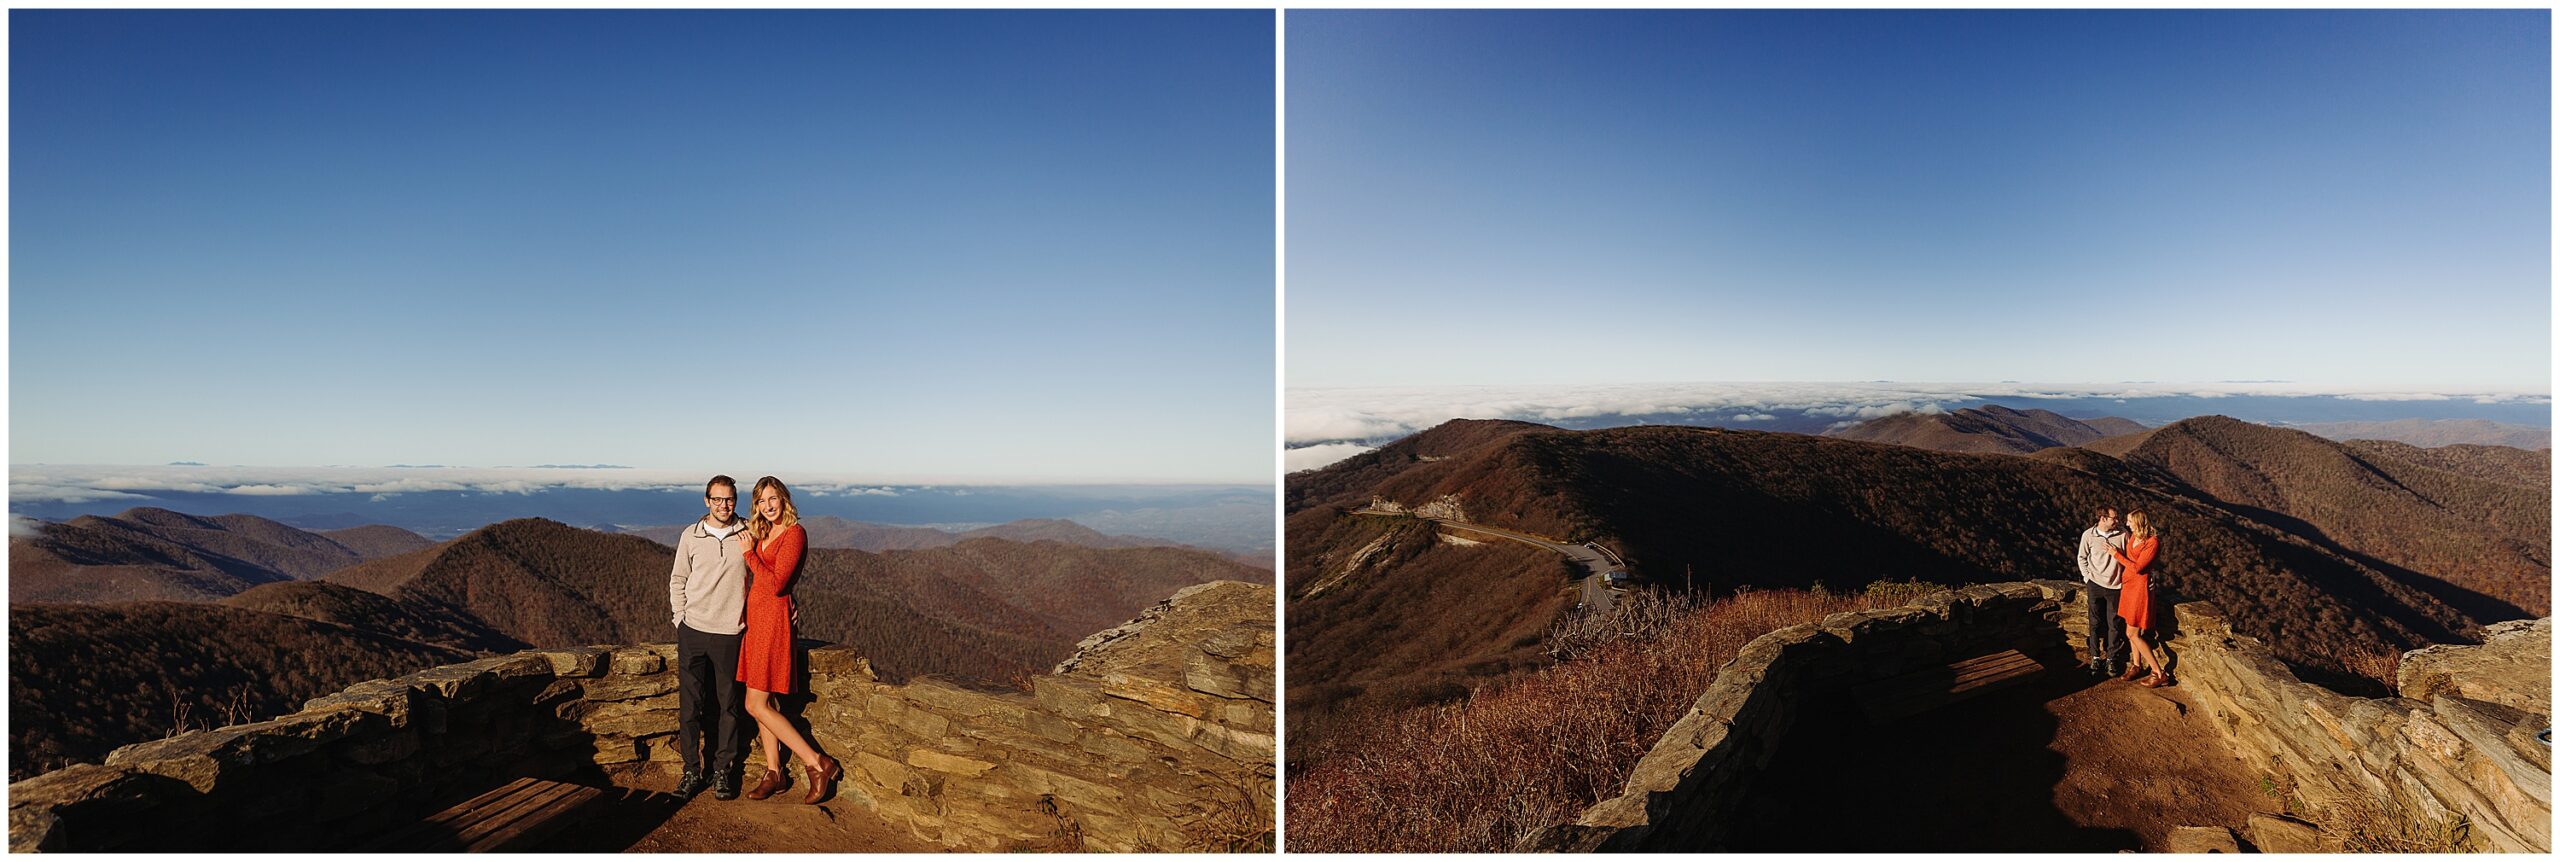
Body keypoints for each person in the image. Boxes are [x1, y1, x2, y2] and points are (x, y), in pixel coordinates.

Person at [736, 476, 841, 803]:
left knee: (754, 703)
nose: (767, 506)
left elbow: (779, 583)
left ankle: (817, 762)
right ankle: (775, 773)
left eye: (773, 499)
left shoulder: (795, 534)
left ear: (784, 498)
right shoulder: (763, 530)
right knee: (762, 703)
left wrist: (749, 556)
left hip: (773, 622)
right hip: (756, 621)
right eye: (761, 501)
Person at [669, 475, 753, 801]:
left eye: (729, 499)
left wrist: (790, 603)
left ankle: (722, 772)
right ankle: (691, 770)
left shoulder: (748, 533)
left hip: (730, 632)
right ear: (706, 501)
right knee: (690, 707)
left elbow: (766, 571)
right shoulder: (691, 535)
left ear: (736, 500)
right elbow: (678, 578)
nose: (723, 505)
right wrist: (680, 619)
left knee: (728, 706)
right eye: (717, 499)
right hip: (693, 630)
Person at [2111, 510, 2169, 688]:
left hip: (2139, 589)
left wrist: (2116, 555)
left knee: (2132, 633)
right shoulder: (2134, 535)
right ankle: (2136, 665)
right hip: (2129, 586)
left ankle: (2158, 672)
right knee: (2131, 627)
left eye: (2129, 521)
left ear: (2138, 521)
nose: (2127, 524)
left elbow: (2139, 567)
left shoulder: (2152, 542)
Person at [2075, 506, 2130, 678]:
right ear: (2103, 518)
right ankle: (2095, 656)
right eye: (2114, 518)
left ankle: (2111, 658)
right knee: (2095, 622)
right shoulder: (2088, 535)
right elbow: (2081, 557)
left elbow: (2129, 558)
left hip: (2115, 586)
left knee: (2114, 624)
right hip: (2095, 585)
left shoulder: (2123, 534)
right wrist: (2087, 578)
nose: (2117, 521)